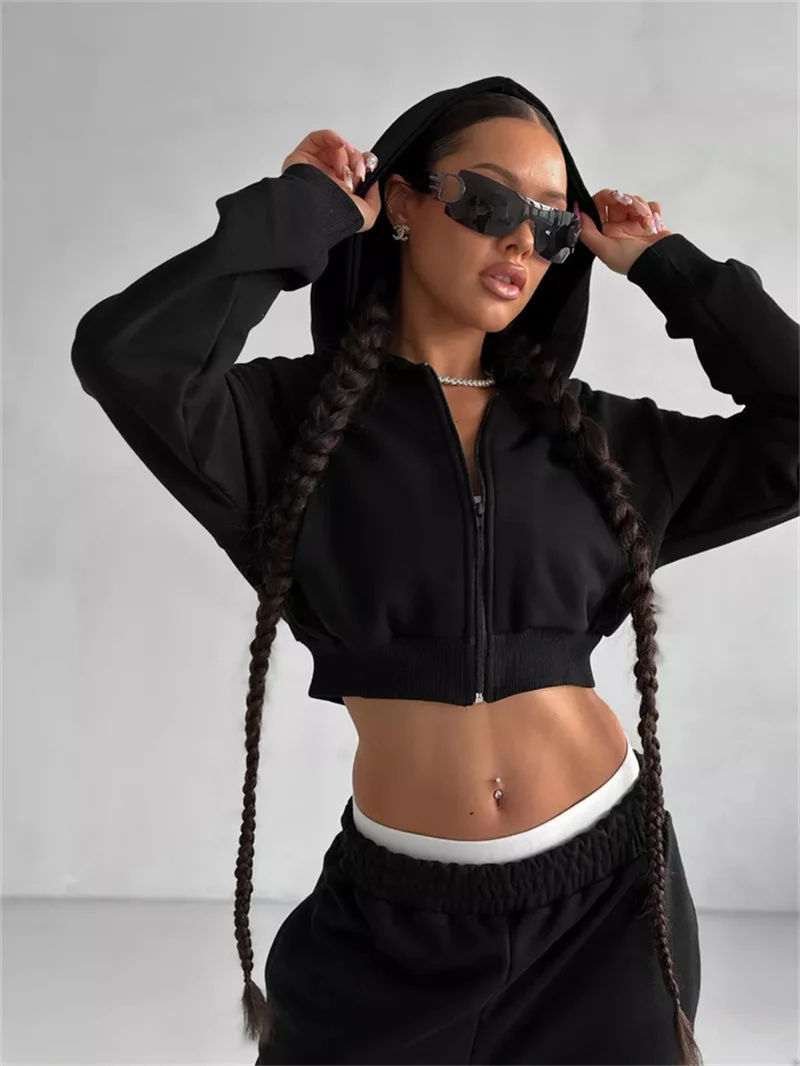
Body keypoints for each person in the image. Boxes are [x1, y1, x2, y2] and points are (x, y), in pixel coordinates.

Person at [70, 74, 799, 1065]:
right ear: (404, 203)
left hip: (609, 910)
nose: (521, 240)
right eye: (491, 200)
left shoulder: (596, 440)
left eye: (551, 223)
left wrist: (670, 268)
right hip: (392, 927)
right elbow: (127, 355)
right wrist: (304, 212)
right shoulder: (286, 429)